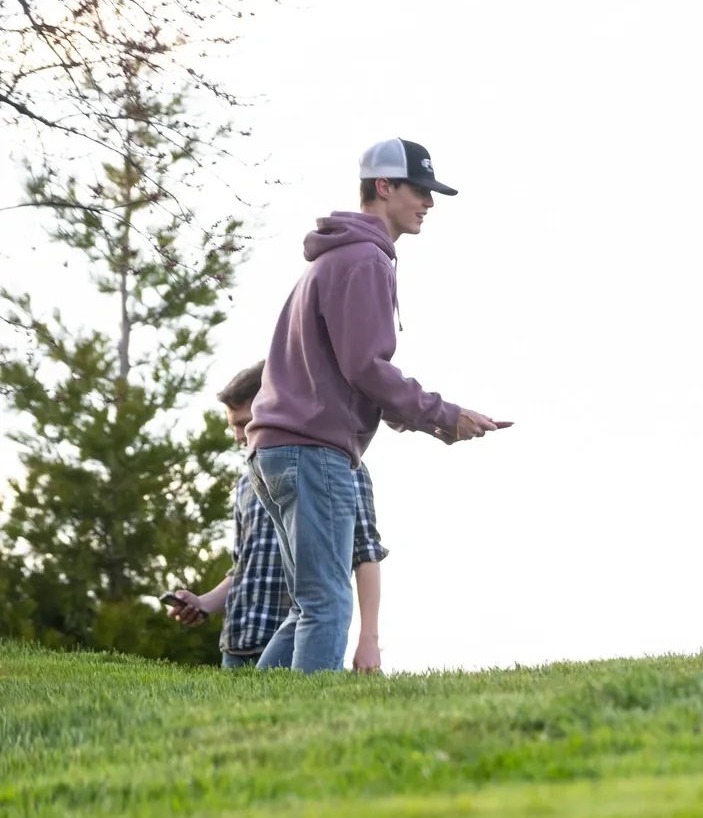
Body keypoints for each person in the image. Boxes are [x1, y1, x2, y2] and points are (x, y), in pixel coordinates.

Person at [243, 137, 506, 673]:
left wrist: (416, 419)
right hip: (312, 452)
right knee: (327, 604)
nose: (429, 203)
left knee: (310, 604)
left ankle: (254, 710)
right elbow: (365, 366)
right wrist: (441, 414)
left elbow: (346, 368)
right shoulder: (365, 259)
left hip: (278, 448)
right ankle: (304, 734)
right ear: (384, 187)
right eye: (420, 190)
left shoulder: (339, 257)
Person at [166, 361, 391, 672]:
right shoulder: (247, 482)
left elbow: (365, 553)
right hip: (237, 645)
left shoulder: (340, 468)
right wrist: (204, 603)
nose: (236, 436)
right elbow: (243, 568)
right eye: (231, 425)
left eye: (243, 423)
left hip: (300, 644)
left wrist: (368, 639)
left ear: (274, 406)